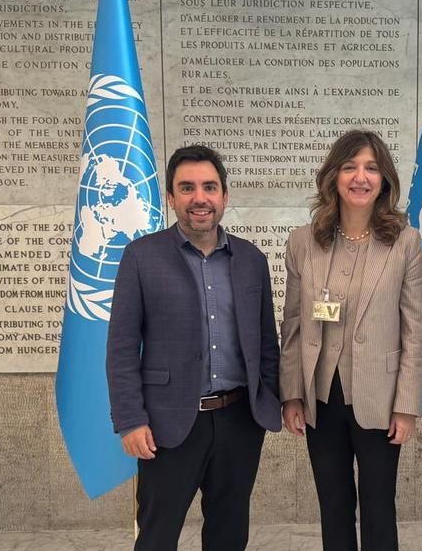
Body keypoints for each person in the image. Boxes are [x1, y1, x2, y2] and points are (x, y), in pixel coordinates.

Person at [106, 144, 281, 551]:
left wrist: (268, 402)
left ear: (224, 196)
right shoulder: (140, 257)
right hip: (168, 425)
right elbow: (121, 348)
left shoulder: (251, 259)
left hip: (240, 422)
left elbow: (265, 344)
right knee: (157, 533)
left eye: (209, 187)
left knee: (229, 532)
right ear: (171, 197)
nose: (199, 198)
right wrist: (131, 420)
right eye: (187, 188)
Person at [279, 130, 422, 551]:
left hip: (381, 400)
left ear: (384, 179)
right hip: (320, 400)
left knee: (379, 508)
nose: (360, 177)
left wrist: (407, 407)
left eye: (371, 167)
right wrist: (291, 395)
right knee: (333, 506)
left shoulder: (405, 243)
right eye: (349, 167)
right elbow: (292, 323)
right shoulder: (302, 242)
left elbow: (416, 332)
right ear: (333, 176)